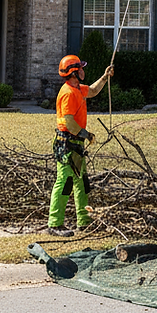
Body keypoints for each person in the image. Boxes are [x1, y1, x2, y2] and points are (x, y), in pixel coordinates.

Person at [47, 53, 114, 237]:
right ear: (74, 73)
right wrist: (86, 134)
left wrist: (104, 76)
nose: (84, 71)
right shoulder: (68, 93)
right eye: (81, 68)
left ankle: (84, 222)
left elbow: (92, 90)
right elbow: (68, 122)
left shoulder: (77, 89)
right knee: (65, 181)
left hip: (76, 144)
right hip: (66, 144)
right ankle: (54, 224)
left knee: (82, 183)